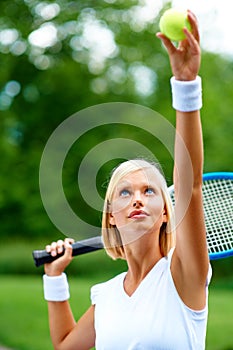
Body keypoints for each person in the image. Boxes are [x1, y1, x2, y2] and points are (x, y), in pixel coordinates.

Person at [42, 10, 211, 350]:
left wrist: (186, 86)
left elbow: (189, 185)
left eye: (149, 190)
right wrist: (54, 277)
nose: (137, 198)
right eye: (124, 192)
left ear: (166, 211)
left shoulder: (183, 277)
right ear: (111, 216)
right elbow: (63, 346)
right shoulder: (105, 296)